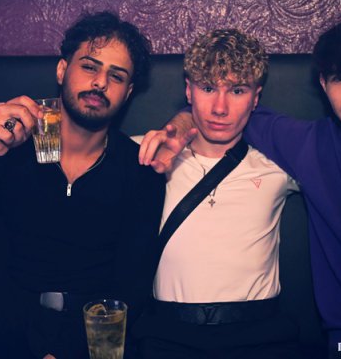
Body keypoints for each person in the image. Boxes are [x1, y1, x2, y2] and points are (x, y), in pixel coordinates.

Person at [140, 16, 341, 358]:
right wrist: (180, 123)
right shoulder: (311, 148)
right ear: (323, 84)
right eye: (340, 77)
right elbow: (218, 114)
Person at [0, 12, 166, 359]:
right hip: (4, 335)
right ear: (61, 70)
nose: (100, 82)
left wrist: (64, 351)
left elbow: (130, 288)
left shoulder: (140, 169)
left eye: (116, 76)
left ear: (128, 92)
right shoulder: (13, 149)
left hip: (92, 341)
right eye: (89, 66)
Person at [126, 29, 301, 358]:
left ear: (256, 98)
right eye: (208, 88)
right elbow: (78, 147)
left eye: (237, 90)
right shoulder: (149, 152)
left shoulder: (277, 166)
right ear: (188, 90)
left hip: (260, 337)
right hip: (167, 336)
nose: (220, 108)